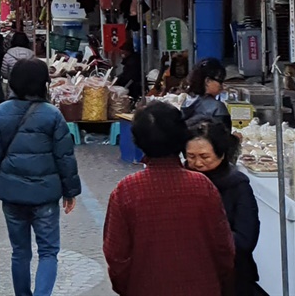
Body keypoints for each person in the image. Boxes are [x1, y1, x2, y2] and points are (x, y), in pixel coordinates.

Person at [102, 102, 234, 296]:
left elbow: (116, 256)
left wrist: (128, 287)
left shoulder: (126, 191)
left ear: (138, 140)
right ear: (181, 136)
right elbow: (224, 249)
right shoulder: (203, 187)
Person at [0, 58, 81, 296]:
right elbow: (64, 156)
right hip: (45, 195)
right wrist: (70, 191)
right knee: (48, 252)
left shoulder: (1, 112)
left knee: (20, 251)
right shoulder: (52, 115)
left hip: (12, 195)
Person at [185, 119, 262, 296]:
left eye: (204, 157)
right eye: (191, 157)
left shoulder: (237, 185)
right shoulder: (182, 181)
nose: (197, 163)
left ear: (221, 154)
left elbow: (245, 240)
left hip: (231, 275)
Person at [181, 57, 231, 132]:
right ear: (207, 81)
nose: (222, 86)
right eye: (220, 81)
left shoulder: (187, 102)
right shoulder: (217, 107)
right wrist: (236, 138)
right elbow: (224, 139)